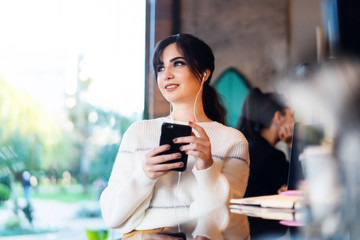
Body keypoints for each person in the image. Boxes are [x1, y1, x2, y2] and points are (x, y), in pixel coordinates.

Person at [100, 33, 249, 233]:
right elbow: (112, 216)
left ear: (204, 74)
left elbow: (232, 222)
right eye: (160, 68)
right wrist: (144, 175)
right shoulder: (138, 133)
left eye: (177, 64)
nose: (166, 74)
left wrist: (207, 167)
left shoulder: (232, 140)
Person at [236, 87, 295, 197]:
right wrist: (293, 143)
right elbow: (299, 185)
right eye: (292, 115)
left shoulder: (250, 147)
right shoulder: (272, 157)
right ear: (278, 117)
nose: (294, 121)